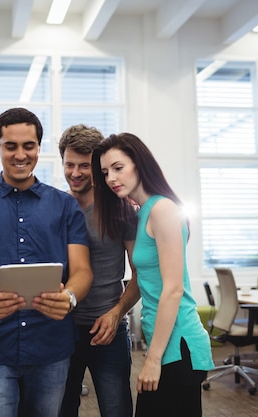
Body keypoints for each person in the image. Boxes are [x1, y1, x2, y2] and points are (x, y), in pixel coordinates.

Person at [0, 107, 93, 417]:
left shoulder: (65, 206)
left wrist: (70, 296)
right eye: (10, 146)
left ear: (39, 147)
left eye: (29, 146)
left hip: (51, 345)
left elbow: (82, 270)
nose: (20, 154)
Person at [91, 133, 214, 417]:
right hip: (165, 343)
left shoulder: (163, 209)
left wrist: (153, 359)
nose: (111, 178)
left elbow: (172, 290)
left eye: (118, 167)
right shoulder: (145, 211)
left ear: (139, 163)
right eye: (105, 172)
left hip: (179, 345)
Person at [58, 124, 139, 417]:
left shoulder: (121, 209)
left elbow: (140, 273)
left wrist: (117, 313)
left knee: (116, 409)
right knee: (62, 409)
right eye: (69, 165)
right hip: (61, 329)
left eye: (84, 165)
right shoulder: (54, 206)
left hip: (109, 329)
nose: (76, 173)